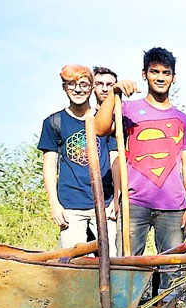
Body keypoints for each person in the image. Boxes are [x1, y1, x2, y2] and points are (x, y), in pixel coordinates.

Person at [95, 47, 186, 308]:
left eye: (166, 73)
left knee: (171, 268)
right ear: (145, 74)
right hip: (134, 202)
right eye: (155, 71)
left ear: (174, 78)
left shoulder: (182, 120)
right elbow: (101, 128)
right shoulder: (127, 109)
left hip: (172, 204)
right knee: (128, 265)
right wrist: (114, 93)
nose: (160, 77)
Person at [38, 64, 119, 254]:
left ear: (91, 88)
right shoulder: (53, 123)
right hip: (71, 206)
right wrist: (54, 204)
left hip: (105, 203)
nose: (78, 89)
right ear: (64, 87)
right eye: (71, 84)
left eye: (83, 84)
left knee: (113, 259)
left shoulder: (106, 120)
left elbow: (115, 159)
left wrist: (117, 198)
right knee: (75, 262)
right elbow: (49, 166)